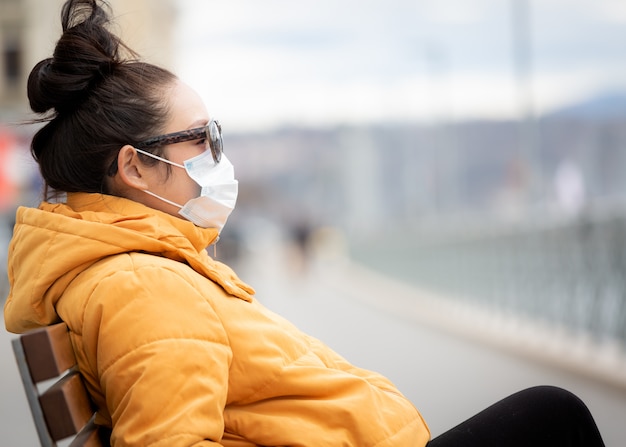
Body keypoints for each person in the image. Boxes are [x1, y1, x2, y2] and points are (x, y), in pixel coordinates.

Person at [3, 1, 606, 446]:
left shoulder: (131, 271)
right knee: (552, 414)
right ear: (135, 167)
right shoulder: (141, 287)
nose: (219, 155)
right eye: (204, 139)